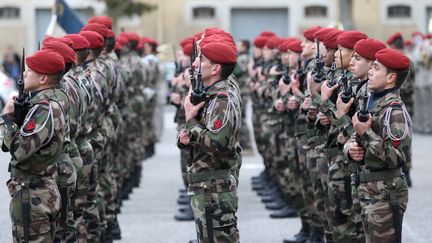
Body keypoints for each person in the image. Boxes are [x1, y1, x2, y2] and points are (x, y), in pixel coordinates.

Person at [344, 48, 412, 243]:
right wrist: (351, 148)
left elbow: (398, 157)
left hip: (384, 194)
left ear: (391, 78)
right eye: (371, 66)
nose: (370, 72)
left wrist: (366, 134)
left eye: (376, 68)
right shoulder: (372, 101)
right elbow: (354, 134)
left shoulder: (394, 111)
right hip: (367, 188)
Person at [178, 38, 242, 243]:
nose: (195, 63)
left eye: (201, 59)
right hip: (207, 187)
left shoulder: (222, 100)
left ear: (215, 68)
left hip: (214, 189)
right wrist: (186, 135)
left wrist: (190, 121)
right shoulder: (210, 96)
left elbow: (217, 144)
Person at [0, 49, 67, 242]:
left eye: (29, 71)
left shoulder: (44, 109)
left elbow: (19, 152)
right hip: (36, 190)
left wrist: (8, 118)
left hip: (34, 195)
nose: (24, 75)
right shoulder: (43, 104)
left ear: (43, 78)